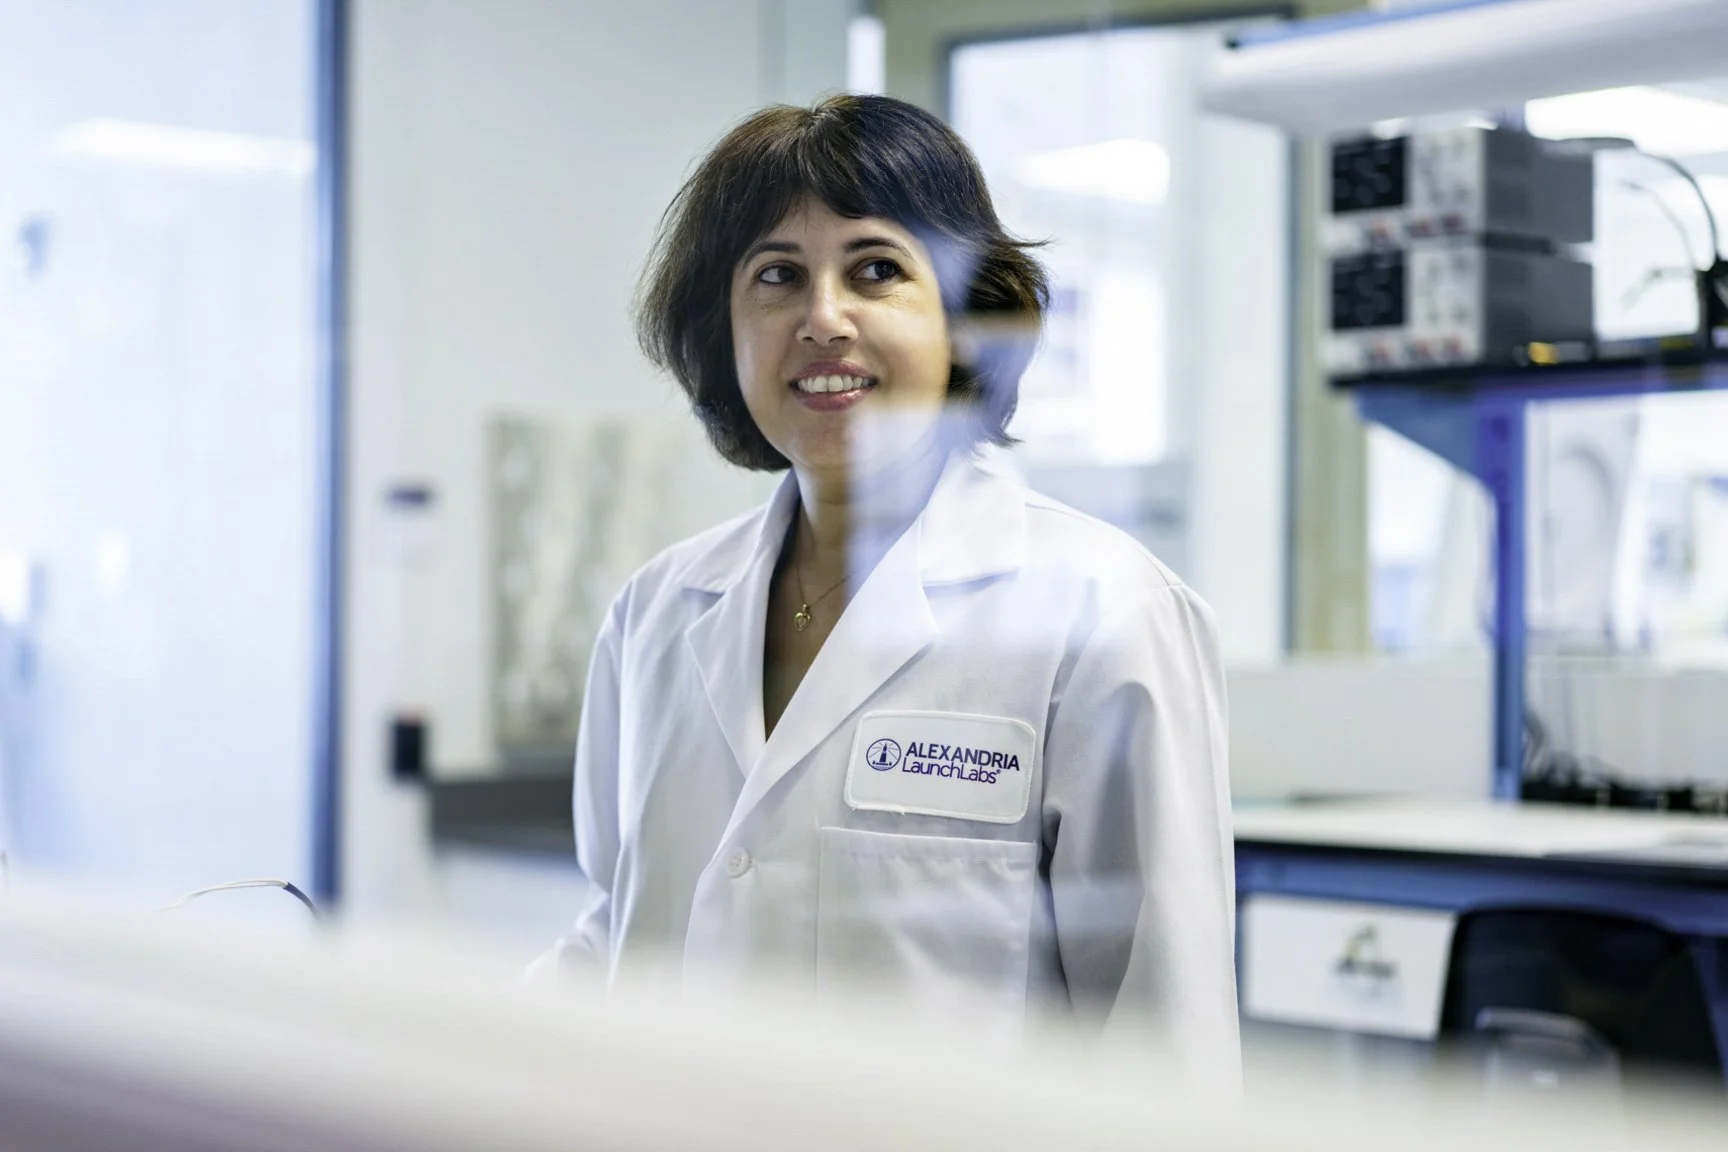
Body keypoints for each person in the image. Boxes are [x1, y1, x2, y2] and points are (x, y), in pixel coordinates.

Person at [539, 94, 1236, 1069]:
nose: (824, 319)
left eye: (877, 270)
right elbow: (615, 931)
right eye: (777, 276)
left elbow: (1165, 1039)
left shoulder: (1104, 613)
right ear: (724, 331)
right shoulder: (656, 611)